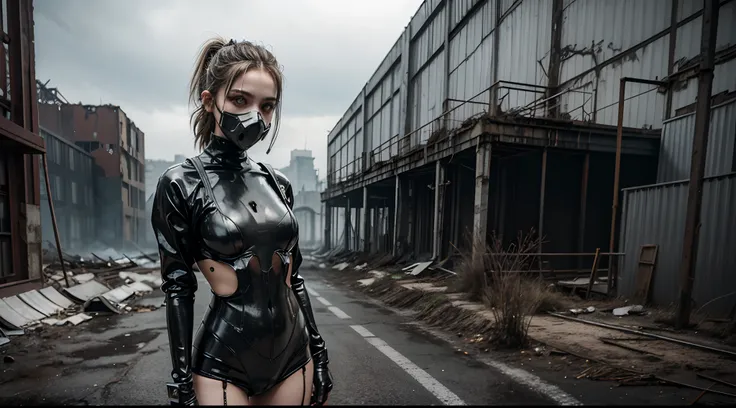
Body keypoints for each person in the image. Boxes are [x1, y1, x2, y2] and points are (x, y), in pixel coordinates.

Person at [151, 37, 333, 406]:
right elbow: (178, 287)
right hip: (224, 360)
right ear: (209, 101)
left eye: (267, 106)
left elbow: (293, 278)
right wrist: (181, 382)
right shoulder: (181, 183)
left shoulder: (277, 183)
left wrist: (320, 352)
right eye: (240, 100)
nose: (256, 116)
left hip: (294, 355)